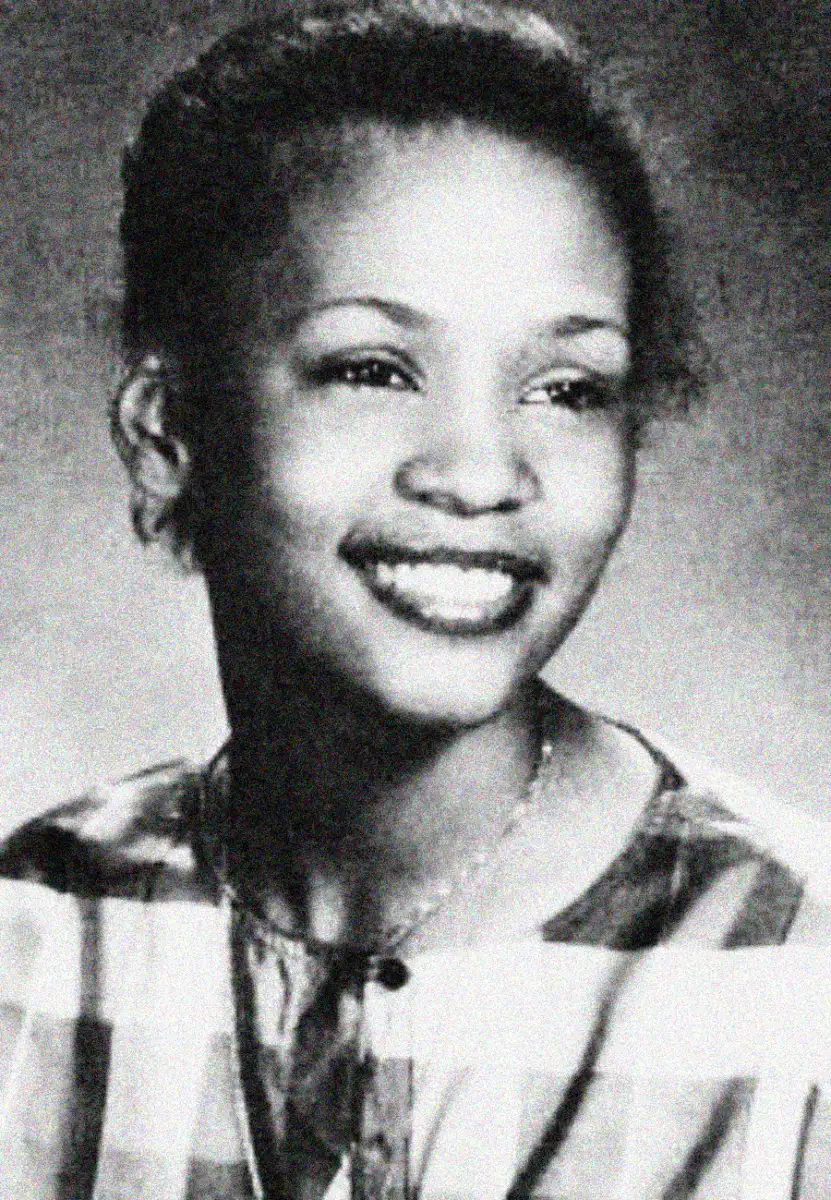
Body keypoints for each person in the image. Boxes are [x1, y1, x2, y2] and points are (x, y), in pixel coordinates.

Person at [1, 1, 830, 1197]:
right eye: (374, 370)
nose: (482, 474)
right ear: (169, 434)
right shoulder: (36, 935)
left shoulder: (795, 972)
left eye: (567, 387)